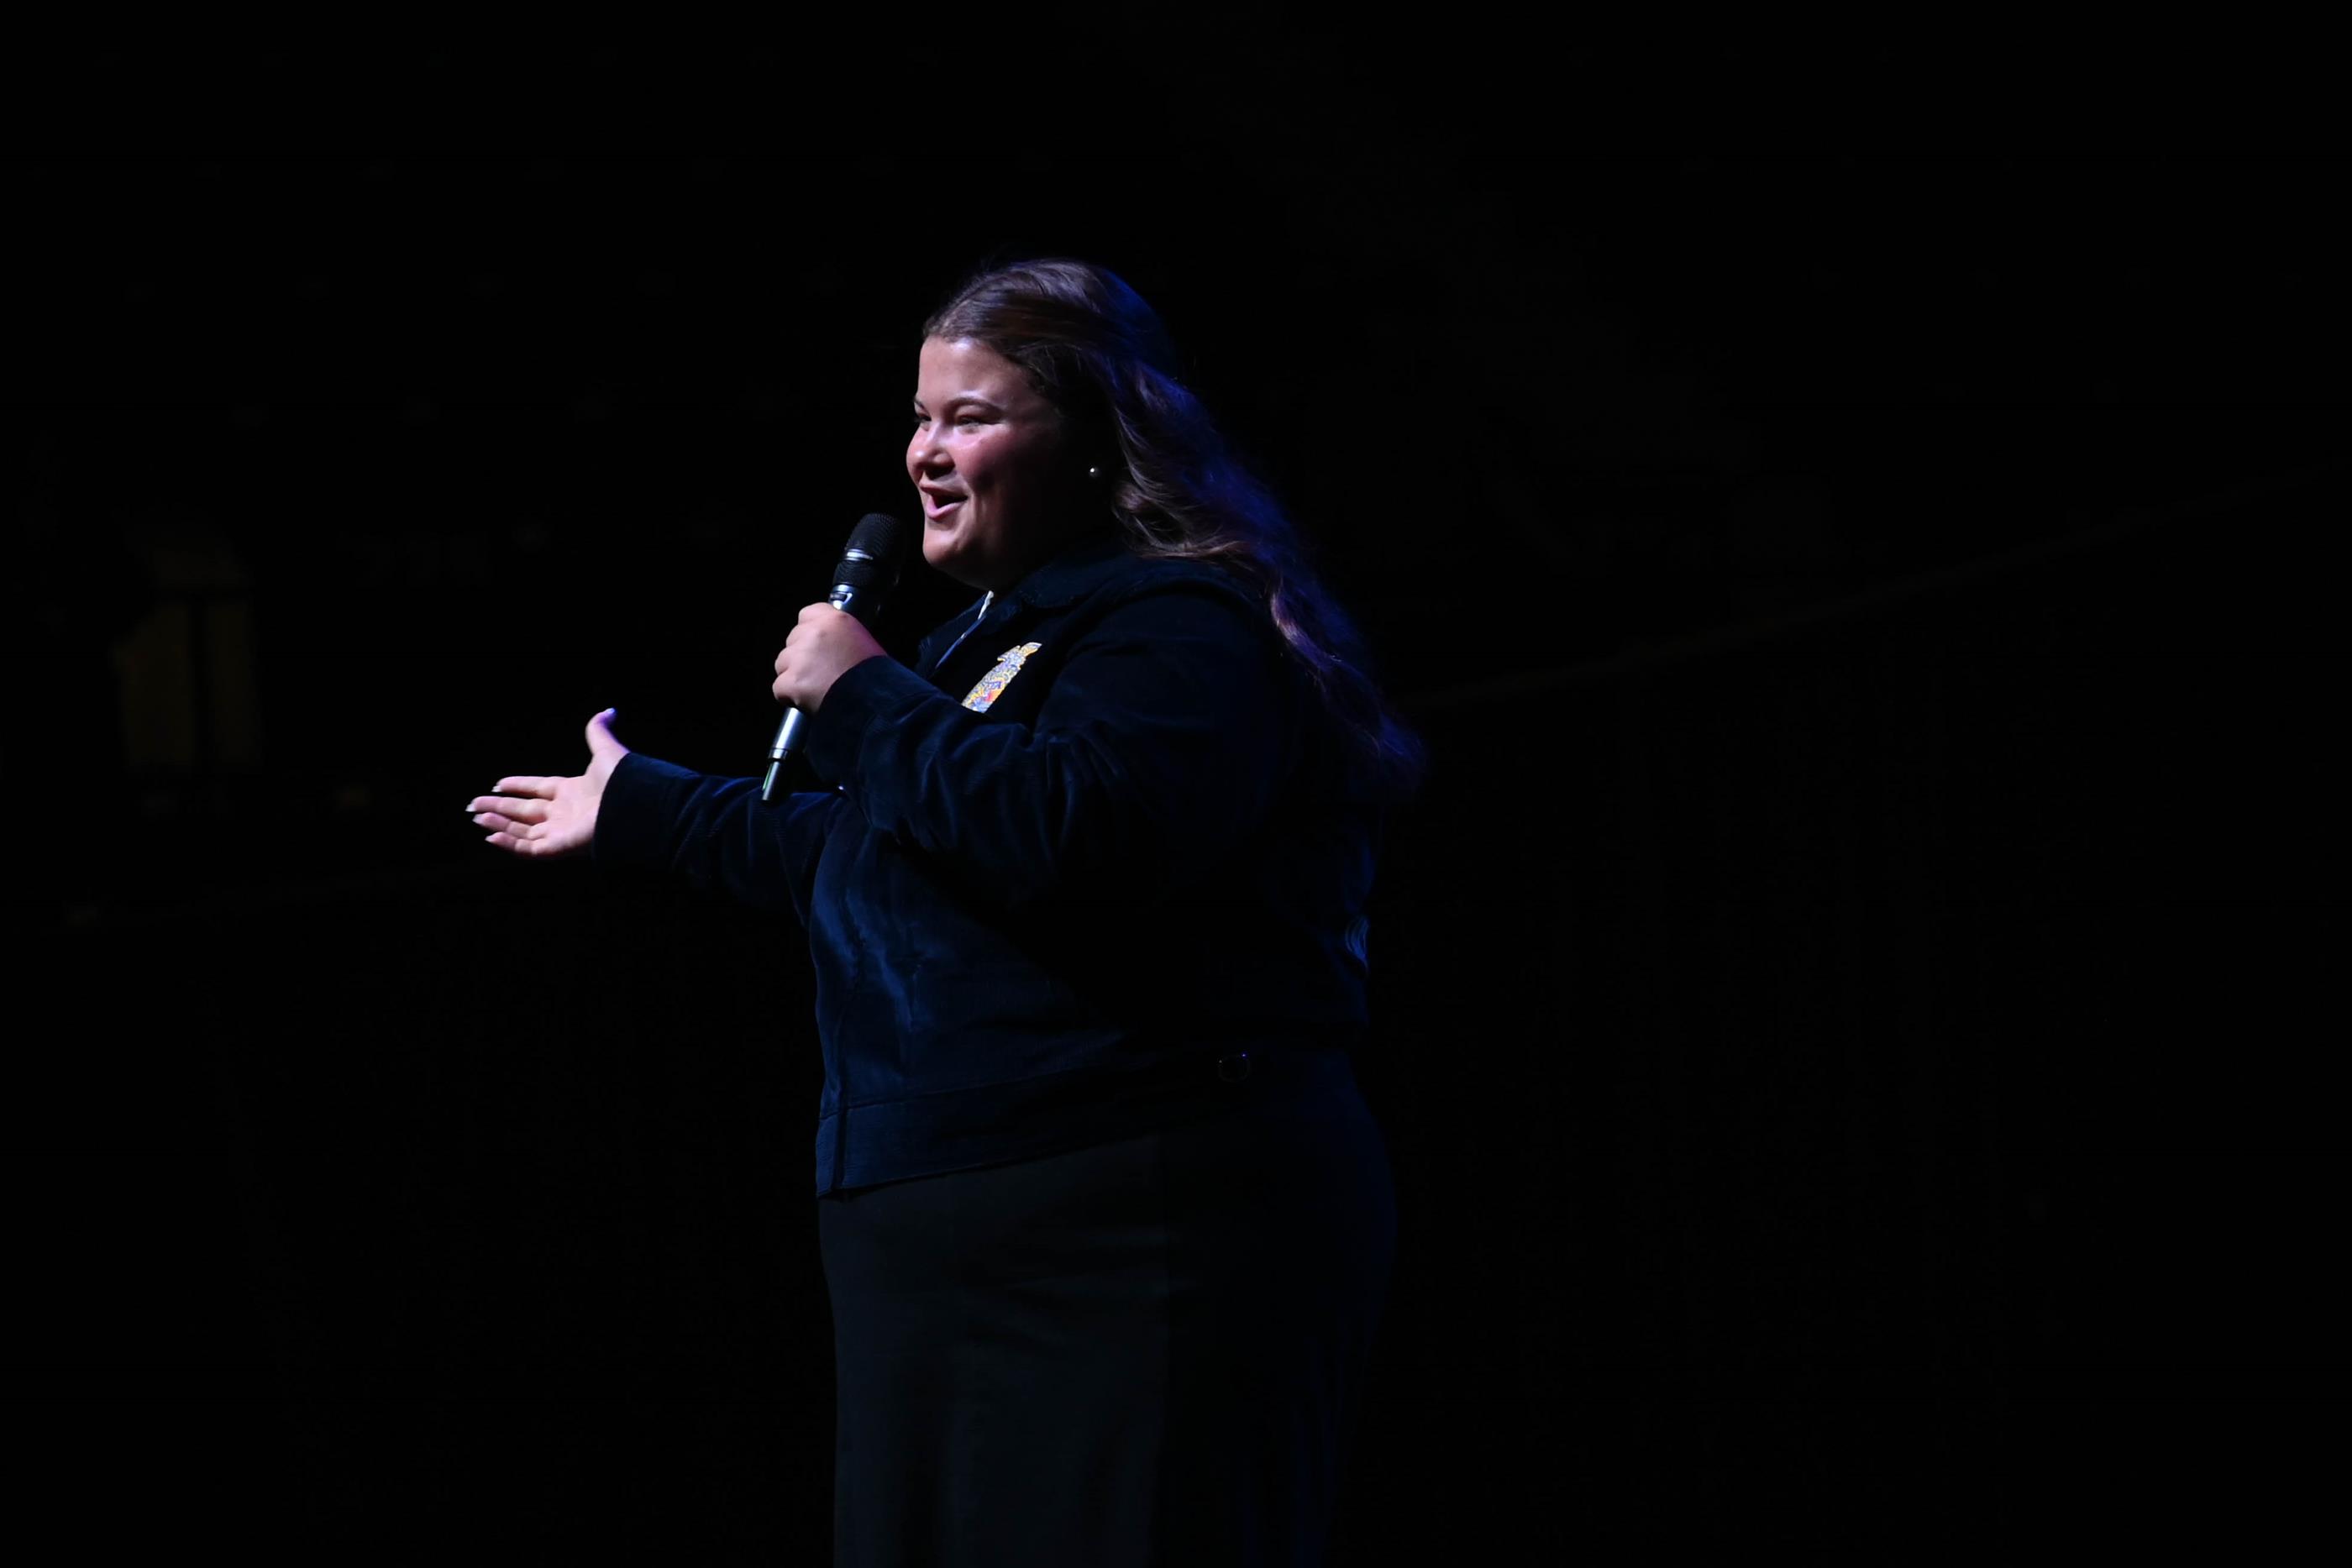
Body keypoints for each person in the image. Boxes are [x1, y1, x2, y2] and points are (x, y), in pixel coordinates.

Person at [466, 257, 1424, 1566]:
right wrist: (643, 805)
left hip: (1132, 1232)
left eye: (970, 417)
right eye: (920, 417)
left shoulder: (1183, 624)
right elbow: (873, 854)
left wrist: (862, 693)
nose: (924, 453)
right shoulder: (976, 648)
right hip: (948, 1236)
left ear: (1096, 437)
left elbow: (1076, 830)